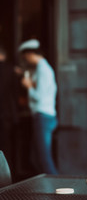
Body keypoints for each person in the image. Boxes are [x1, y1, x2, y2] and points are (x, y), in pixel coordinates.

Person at [18, 39, 58, 175]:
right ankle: (48, 187)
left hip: (43, 116)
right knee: (37, 157)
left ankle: (56, 188)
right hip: (43, 116)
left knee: (43, 159)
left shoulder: (43, 69)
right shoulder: (41, 69)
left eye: (25, 57)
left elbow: (39, 96)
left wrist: (28, 87)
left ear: (30, 54)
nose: (26, 60)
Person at [0, 45, 20, 171]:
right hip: (8, 114)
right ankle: (8, 176)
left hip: (5, 113)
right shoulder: (11, 69)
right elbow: (16, 92)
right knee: (7, 147)